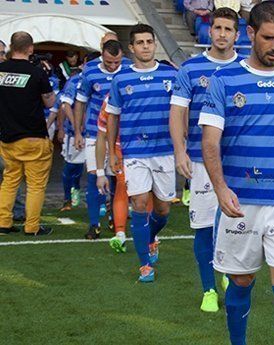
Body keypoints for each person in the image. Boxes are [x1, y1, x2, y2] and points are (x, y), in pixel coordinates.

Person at [199, 2, 274, 343]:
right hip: (241, 201)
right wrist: (221, 189)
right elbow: (210, 141)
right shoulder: (224, 81)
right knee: (241, 283)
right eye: (268, 38)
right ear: (251, 33)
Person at [169, 7, 242, 313]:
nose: (222, 34)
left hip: (239, 162)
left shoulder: (246, 68)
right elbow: (177, 112)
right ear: (209, 31)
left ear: (237, 35)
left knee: (237, 226)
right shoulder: (189, 69)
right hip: (201, 161)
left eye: (228, 29)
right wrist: (179, 150)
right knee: (202, 227)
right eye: (218, 28)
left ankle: (227, 271)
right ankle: (208, 289)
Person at [105, 24, 178, 282]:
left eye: (150, 41)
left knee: (162, 210)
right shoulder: (121, 79)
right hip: (134, 151)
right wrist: (112, 153)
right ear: (132, 48)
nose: (146, 46)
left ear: (154, 44)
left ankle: (150, 239)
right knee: (138, 203)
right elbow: (112, 116)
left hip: (165, 150)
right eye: (141, 42)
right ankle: (145, 265)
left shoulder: (172, 75)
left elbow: (182, 111)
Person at [0, 31, 55, 236]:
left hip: (7, 137)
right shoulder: (36, 72)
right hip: (33, 136)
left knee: (9, 181)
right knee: (35, 185)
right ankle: (31, 226)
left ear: (11, 47)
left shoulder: (1, 71)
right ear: (30, 48)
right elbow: (49, 101)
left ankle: (3, 223)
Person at [74, 40, 125, 239]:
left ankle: (116, 217)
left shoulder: (128, 68)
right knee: (95, 177)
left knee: (116, 179)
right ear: (102, 56)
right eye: (109, 62)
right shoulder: (90, 72)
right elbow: (80, 101)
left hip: (119, 135)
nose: (113, 66)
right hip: (95, 134)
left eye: (117, 62)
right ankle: (94, 224)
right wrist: (78, 132)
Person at [95, 96, 129, 253]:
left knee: (150, 194)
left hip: (152, 147)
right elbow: (101, 135)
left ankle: (151, 234)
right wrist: (100, 172)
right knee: (123, 186)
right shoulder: (110, 99)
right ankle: (120, 233)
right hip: (122, 148)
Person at [58, 70, 87, 211]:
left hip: (97, 132)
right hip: (75, 133)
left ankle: (103, 201)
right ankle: (68, 198)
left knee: (100, 169)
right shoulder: (75, 81)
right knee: (72, 166)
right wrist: (65, 128)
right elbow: (63, 106)